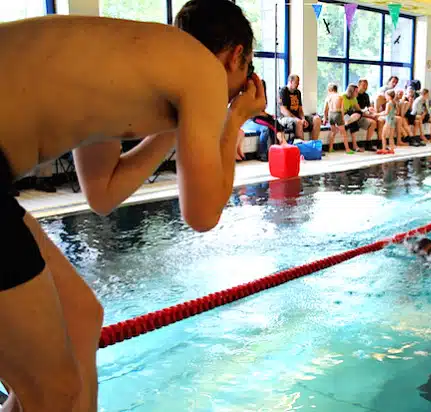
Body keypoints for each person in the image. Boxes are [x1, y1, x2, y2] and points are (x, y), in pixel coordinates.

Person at [0, 0, 266, 410]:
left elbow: (103, 193)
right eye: (245, 73)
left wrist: (179, 125)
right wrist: (234, 121)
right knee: (54, 391)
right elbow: (202, 215)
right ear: (236, 57)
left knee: (81, 319)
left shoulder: (124, 59)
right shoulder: (205, 71)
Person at [279, 74, 322, 141]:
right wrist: (298, 119)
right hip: (284, 118)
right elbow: (283, 110)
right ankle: (301, 148)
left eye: (298, 82)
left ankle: (313, 145)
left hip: (297, 117)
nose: (298, 84)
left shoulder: (298, 92)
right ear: (290, 81)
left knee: (317, 119)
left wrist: (303, 118)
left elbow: (300, 109)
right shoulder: (283, 91)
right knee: (299, 122)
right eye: (296, 82)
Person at [322, 83, 350, 153]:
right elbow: (342, 109)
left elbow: (325, 110)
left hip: (330, 114)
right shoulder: (340, 97)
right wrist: (343, 118)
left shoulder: (328, 97)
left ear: (330, 90)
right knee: (344, 133)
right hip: (338, 114)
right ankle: (347, 149)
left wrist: (325, 118)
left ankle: (330, 148)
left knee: (333, 132)